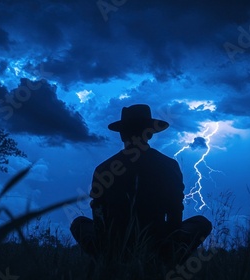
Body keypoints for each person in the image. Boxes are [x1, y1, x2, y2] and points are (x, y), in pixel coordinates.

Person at [70, 104, 212, 267]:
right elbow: (175, 212)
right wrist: (169, 245)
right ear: (150, 133)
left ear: (122, 135)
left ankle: (108, 262)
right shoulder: (168, 165)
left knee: (79, 224)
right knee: (201, 223)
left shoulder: (104, 169)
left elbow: (98, 214)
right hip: (158, 245)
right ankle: (166, 262)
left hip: (115, 246)